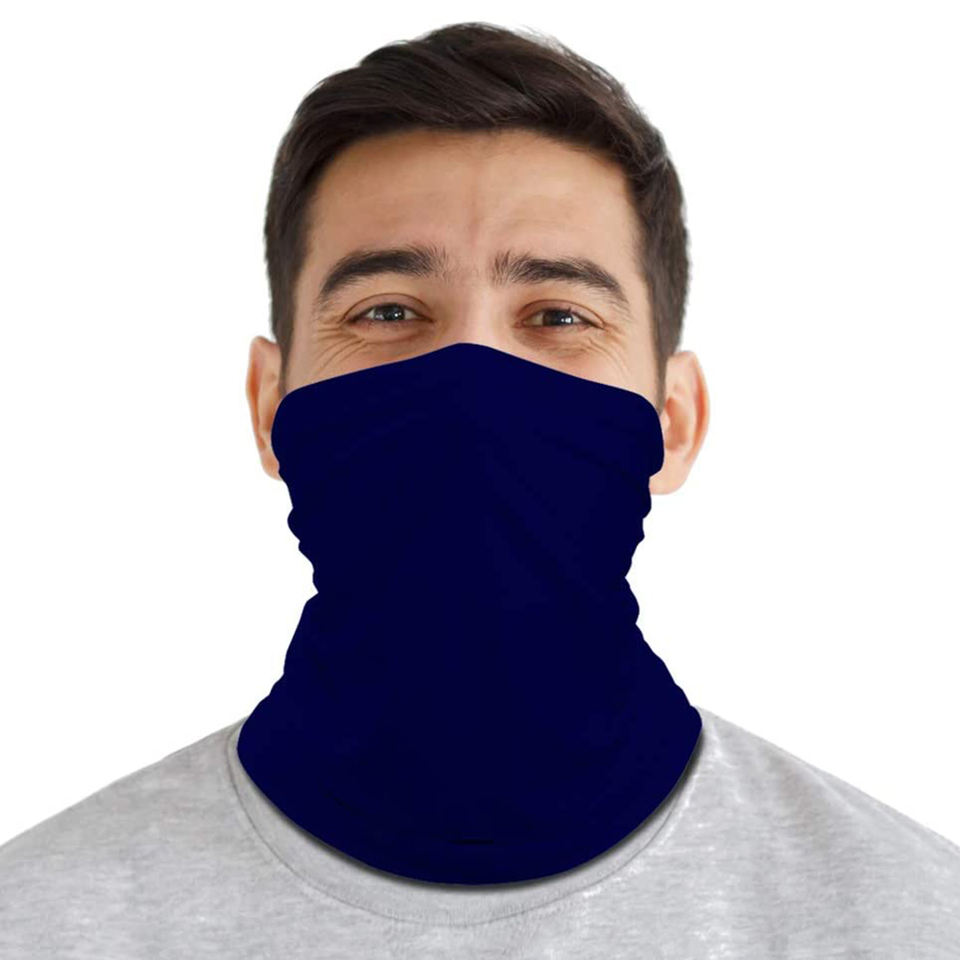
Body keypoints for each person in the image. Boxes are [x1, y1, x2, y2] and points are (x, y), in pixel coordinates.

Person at [2, 21, 958, 958]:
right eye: (387, 311)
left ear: (674, 423)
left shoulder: (914, 924)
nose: (470, 385)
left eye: (558, 315)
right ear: (269, 405)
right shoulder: (36, 922)